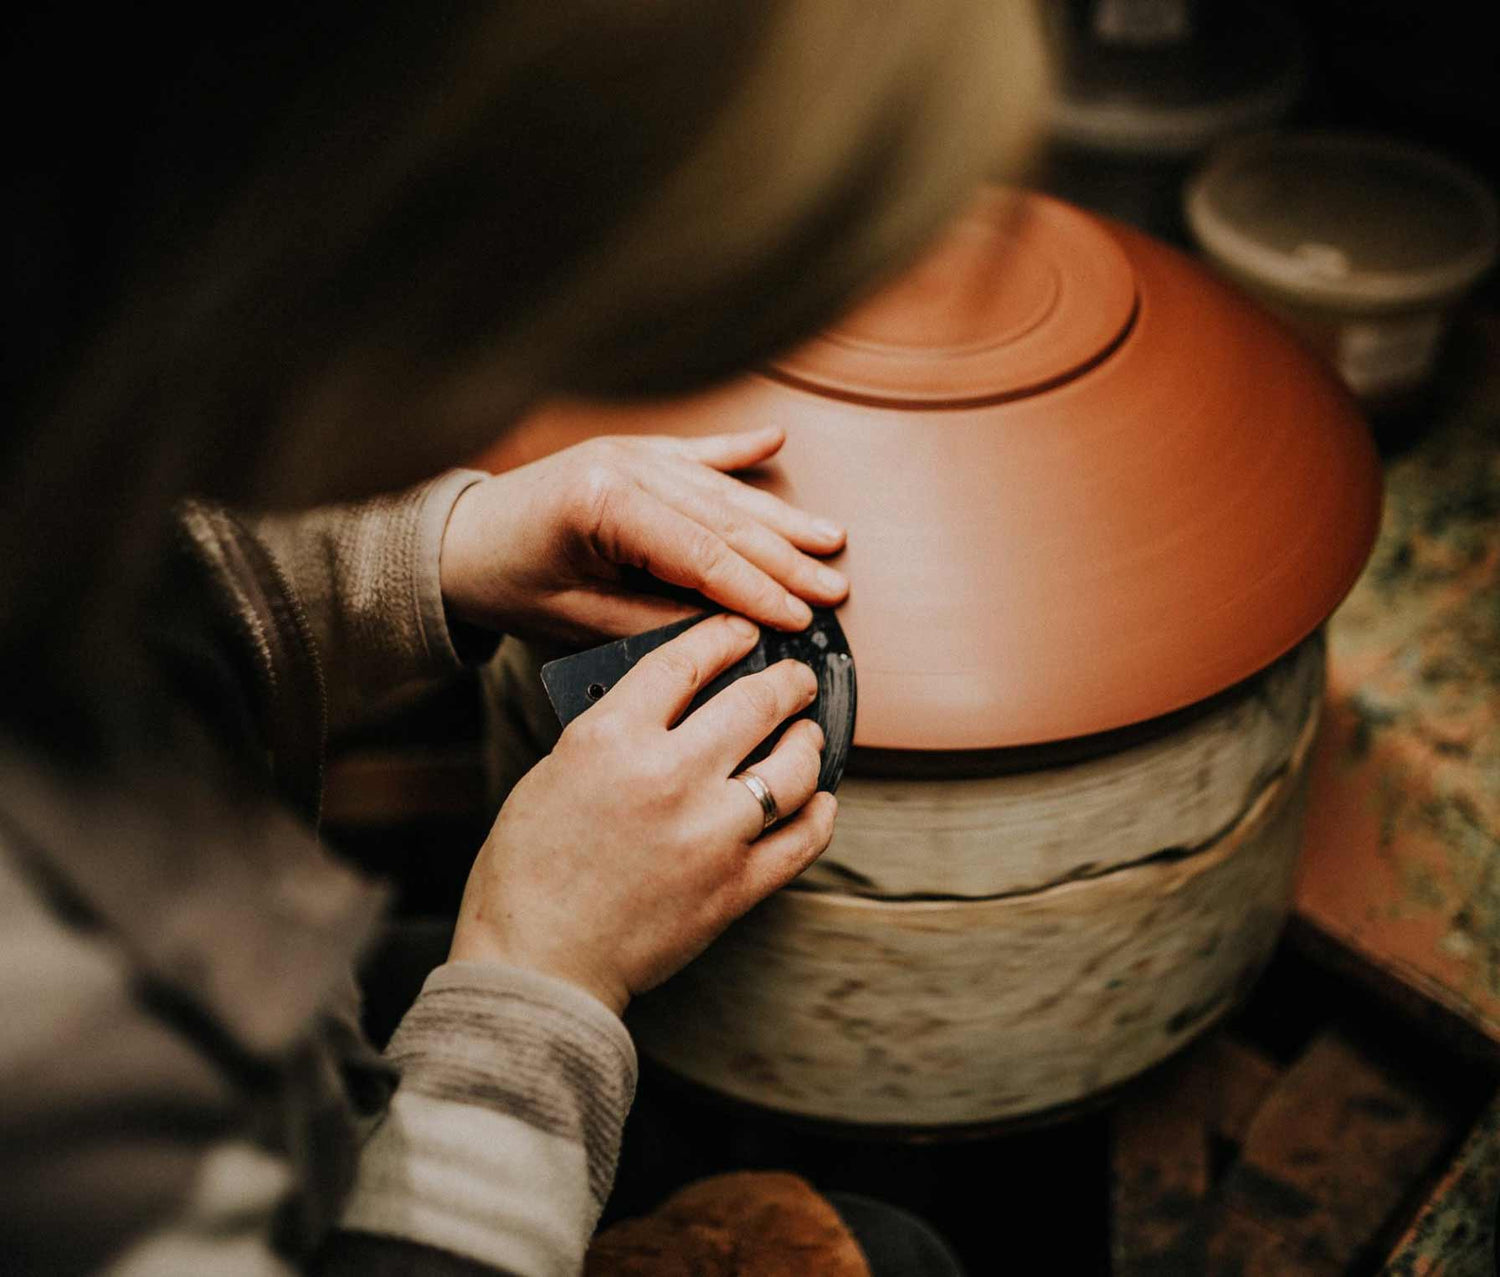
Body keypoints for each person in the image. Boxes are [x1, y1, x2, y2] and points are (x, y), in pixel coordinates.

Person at [0, 2, 1044, 1273]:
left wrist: (427, 555)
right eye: (537, 352)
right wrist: (531, 979)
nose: (526, 406)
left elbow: (124, 567)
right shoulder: (51, 1050)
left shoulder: (61, 405)